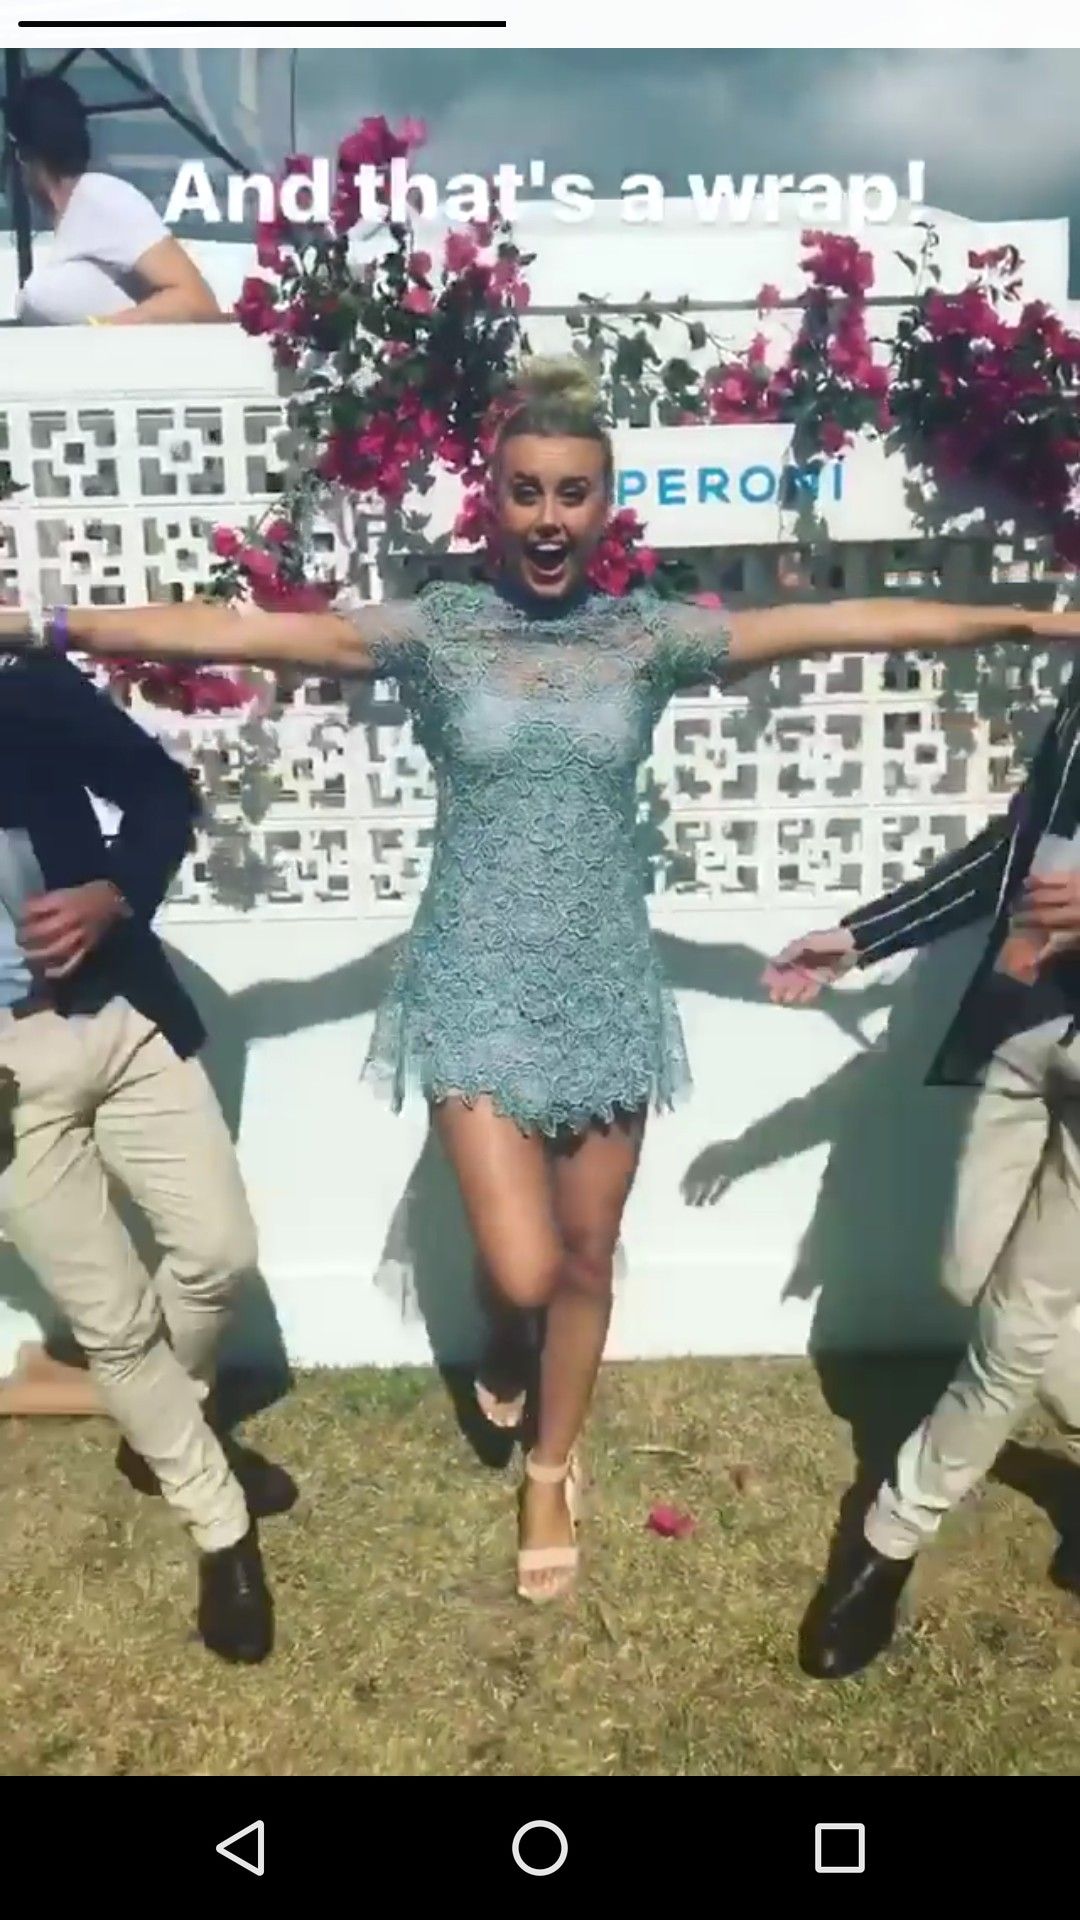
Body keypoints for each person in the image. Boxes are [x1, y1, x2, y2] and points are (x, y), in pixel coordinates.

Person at [6, 355, 1080, 1604]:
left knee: (587, 1255)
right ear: (495, 500)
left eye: (574, 492)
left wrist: (1034, 624)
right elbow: (250, 633)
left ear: (605, 504)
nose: (551, 516)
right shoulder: (441, 632)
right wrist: (50, 629)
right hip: (470, 976)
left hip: (607, 978)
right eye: (527, 492)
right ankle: (507, 1340)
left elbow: (848, 622)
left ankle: (551, 1469)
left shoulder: (648, 637)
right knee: (522, 1272)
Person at [766, 654, 1080, 1677]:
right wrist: (861, 937)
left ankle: (888, 1540)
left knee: (1017, 1326)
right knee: (967, 1277)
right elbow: (1015, 851)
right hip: (1021, 1026)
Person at [0, 639, 295, 1664]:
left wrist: (114, 893)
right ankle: (219, 1526)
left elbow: (162, 795)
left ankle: (164, 1434)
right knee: (114, 1323)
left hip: (119, 1016)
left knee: (218, 1254)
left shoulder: (25, 688)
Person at [5, 74, 221, 327]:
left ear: (22, 155)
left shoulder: (101, 197)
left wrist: (104, 327)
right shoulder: (75, 221)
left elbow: (197, 301)